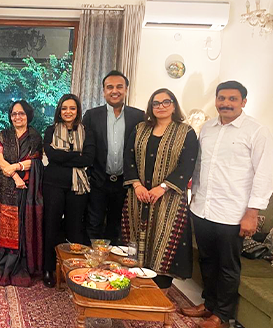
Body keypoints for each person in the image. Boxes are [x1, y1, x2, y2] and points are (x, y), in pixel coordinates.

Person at [181, 81, 273, 328]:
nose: (226, 103)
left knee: (228, 266)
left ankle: (222, 315)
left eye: (232, 99)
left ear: (243, 101)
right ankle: (208, 304)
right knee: (207, 260)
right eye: (222, 98)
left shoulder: (256, 131)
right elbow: (200, 167)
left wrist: (252, 212)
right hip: (203, 208)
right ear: (216, 100)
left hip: (233, 213)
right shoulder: (208, 128)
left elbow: (264, 174)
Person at [121, 88, 198, 290]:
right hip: (138, 195)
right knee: (135, 236)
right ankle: (133, 279)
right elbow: (128, 158)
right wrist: (137, 185)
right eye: (156, 103)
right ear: (150, 107)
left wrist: (162, 188)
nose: (161, 106)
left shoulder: (186, 132)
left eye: (166, 102)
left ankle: (159, 287)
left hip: (169, 198)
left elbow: (187, 164)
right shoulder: (140, 128)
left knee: (164, 238)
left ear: (174, 105)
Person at [0, 100, 43, 286]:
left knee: (21, 226)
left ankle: (19, 264)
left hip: (25, 189)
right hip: (4, 188)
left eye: (21, 113)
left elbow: (33, 162)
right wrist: (15, 176)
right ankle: (2, 263)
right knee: (4, 226)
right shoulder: (3, 135)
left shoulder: (34, 137)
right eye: (14, 114)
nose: (17, 117)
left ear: (28, 115)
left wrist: (15, 169)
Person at [83, 70, 144, 243]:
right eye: (109, 87)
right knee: (93, 223)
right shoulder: (91, 115)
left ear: (126, 90)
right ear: (103, 91)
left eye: (119, 87)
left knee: (117, 227)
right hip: (98, 180)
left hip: (125, 182)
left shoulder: (138, 116)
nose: (114, 91)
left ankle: (111, 266)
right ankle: (93, 264)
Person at [42, 94, 95, 287]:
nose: (68, 112)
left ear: (78, 111)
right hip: (53, 184)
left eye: (72, 108)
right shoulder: (50, 130)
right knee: (51, 227)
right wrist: (75, 155)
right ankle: (48, 269)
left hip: (78, 187)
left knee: (75, 229)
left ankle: (74, 270)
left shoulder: (87, 131)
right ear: (59, 110)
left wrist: (63, 155)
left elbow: (88, 159)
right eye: (64, 108)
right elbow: (52, 156)